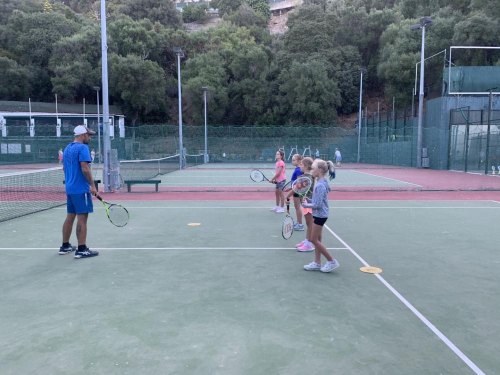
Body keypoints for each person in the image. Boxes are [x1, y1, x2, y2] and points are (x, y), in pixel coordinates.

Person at [59, 125, 99, 259]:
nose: (90, 137)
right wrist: (92, 186)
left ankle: (65, 246)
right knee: (82, 218)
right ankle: (82, 249)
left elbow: (64, 168)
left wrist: (72, 181)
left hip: (70, 189)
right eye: (89, 135)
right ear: (82, 135)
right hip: (80, 190)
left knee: (70, 216)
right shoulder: (83, 148)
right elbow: (85, 168)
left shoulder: (68, 148)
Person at [302, 159, 339, 273]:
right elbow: (318, 200)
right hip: (319, 214)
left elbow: (317, 205)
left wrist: (306, 204)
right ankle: (317, 263)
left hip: (320, 215)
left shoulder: (320, 185)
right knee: (318, 239)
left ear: (320, 170)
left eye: (313, 168)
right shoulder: (321, 182)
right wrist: (309, 199)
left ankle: (332, 261)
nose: (311, 170)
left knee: (313, 239)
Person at [295, 157, 315, 252]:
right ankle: (307, 240)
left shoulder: (307, 177)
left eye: (301, 164)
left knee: (310, 223)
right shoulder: (306, 176)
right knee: (308, 223)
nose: (300, 166)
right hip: (306, 202)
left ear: (306, 166)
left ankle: (309, 244)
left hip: (309, 202)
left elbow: (300, 189)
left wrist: (296, 191)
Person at [286, 154, 304, 231]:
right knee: (298, 207)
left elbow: (299, 184)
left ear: (299, 161)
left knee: (298, 207)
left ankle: (300, 224)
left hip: (297, 191)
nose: (292, 161)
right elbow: (297, 183)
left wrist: (291, 192)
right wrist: (290, 188)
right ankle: (299, 223)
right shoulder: (298, 169)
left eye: (294, 160)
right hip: (297, 190)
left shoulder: (298, 170)